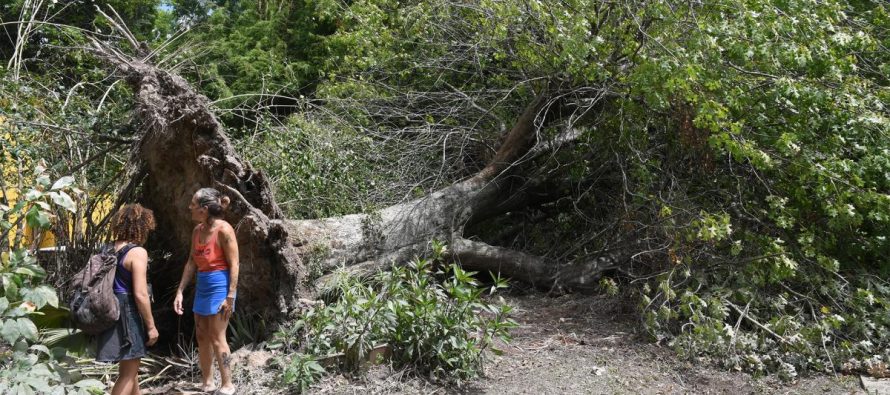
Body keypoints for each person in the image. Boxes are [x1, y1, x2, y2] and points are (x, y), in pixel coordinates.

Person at [173, 187, 240, 395]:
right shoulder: (197, 231)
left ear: (204, 209)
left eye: (193, 204)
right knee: (202, 336)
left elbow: (235, 264)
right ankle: (207, 382)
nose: (189, 207)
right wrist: (180, 291)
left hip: (220, 285)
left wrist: (230, 296)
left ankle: (228, 384)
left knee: (217, 336)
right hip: (202, 284)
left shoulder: (224, 230)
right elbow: (191, 262)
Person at [96, 203, 159, 395]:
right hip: (126, 311)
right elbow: (140, 294)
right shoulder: (137, 252)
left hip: (108, 308)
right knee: (128, 374)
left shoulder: (106, 249)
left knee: (131, 368)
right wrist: (151, 326)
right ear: (142, 227)